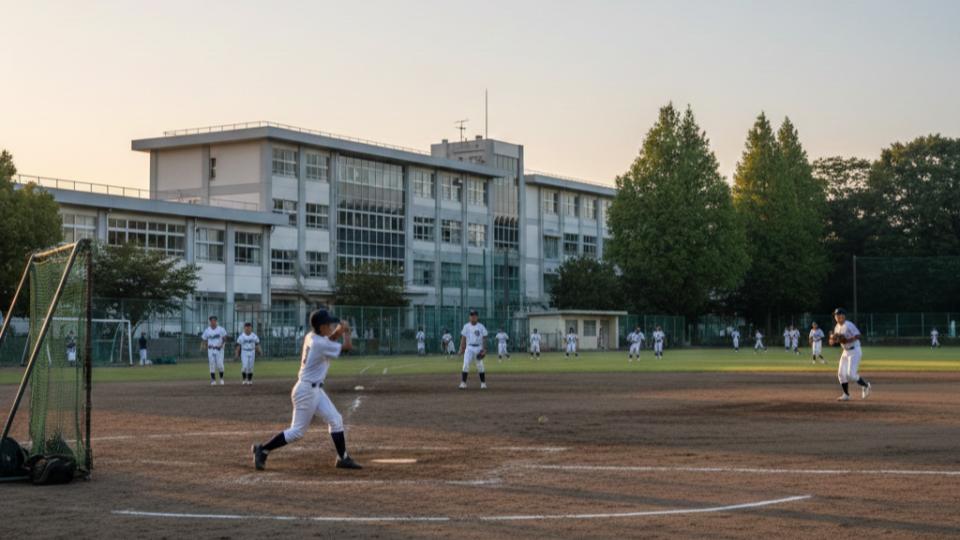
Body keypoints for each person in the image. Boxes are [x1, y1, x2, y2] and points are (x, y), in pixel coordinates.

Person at [251, 310, 361, 470]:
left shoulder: (312, 336)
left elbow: (329, 340)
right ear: (321, 327)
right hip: (306, 392)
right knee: (297, 432)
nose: (331, 326)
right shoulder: (320, 344)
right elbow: (347, 347)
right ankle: (262, 449)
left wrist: (338, 331)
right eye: (329, 324)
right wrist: (347, 332)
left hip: (314, 389)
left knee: (336, 419)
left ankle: (342, 458)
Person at [829, 308, 871, 402]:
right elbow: (836, 338)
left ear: (843, 316)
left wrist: (847, 340)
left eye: (838, 314)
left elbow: (858, 335)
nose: (837, 316)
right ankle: (846, 395)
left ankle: (866, 386)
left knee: (851, 375)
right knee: (841, 374)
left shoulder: (849, 325)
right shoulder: (837, 327)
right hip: (845, 351)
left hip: (854, 350)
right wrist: (832, 340)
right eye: (836, 315)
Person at [458, 309, 488, 389]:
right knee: (465, 364)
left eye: (474, 315)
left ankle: (483, 383)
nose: (473, 317)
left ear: (477, 317)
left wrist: (484, 349)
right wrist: (461, 348)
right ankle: (463, 383)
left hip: (478, 348)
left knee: (480, 365)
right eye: (471, 315)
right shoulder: (466, 326)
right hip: (469, 348)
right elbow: (463, 338)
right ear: (469, 317)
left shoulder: (481, 326)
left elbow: (485, 338)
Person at [201, 316, 228, 385]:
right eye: (211, 321)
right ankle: (213, 380)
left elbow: (225, 338)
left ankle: (221, 378)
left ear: (216, 321)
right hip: (211, 349)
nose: (213, 322)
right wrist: (205, 346)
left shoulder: (221, 329)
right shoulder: (207, 330)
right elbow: (204, 339)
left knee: (220, 364)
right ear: (210, 322)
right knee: (212, 364)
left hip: (219, 349)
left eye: (214, 321)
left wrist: (222, 345)